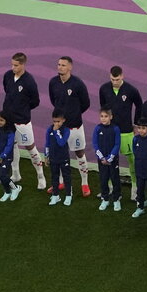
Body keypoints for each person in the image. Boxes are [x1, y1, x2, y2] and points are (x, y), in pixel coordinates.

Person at [0, 52, 48, 192]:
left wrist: (22, 109)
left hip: (22, 121)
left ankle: (40, 176)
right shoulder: (8, 76)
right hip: (8, 120)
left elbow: (35, 101)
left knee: (30, 147)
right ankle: (16, 174)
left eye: (16, 65)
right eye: (12, 65)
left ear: (22, 65)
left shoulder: (29, 81)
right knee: (12, 146)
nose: (13, 68)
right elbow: (7, 91)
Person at [49, 57, 90, 195]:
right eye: (59, 64)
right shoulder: (53, 82)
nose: (60, 67)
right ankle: (60, 182)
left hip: (75, 127)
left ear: (70, 67)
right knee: (60, 154)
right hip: (60, 127)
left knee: (79, 153)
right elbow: (53, 100)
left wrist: (74, 114)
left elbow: (86, 103)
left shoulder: (78, 84)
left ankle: (85, 183)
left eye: (63, 65)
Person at [94, 106, 124, 210]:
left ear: (111, 117)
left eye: (106, 116)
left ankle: (116, 199)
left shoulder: (115, 129)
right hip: (102, 160)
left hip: (112, 160)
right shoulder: (97, 128)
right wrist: (102, 158)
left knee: (115, 179)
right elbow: (95, 144)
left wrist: (110, 158)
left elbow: (117, 144)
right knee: (103, 179)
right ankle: (105, 199)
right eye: (101, 116)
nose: (103, 118)